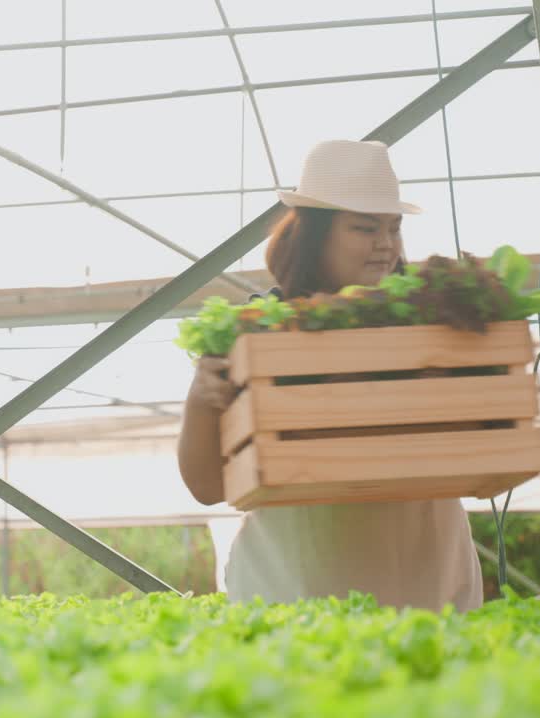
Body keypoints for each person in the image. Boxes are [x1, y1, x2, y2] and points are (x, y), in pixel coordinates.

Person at [177, 140, 483, 612]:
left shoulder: (432, 323)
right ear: (315, 235)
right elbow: (207, 486)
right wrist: (201, 399)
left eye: (393, 228)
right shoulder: (259, 329)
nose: (385, 244)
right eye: (364, 227)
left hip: (428, 577)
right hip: (297, 581)